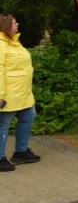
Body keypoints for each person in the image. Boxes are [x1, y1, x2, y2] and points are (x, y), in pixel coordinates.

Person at [0, 13, 41, 172]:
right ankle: (0, 158)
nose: (17, 25)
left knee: (28, 117)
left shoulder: (14, 43)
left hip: (23, 93)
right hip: (8, 94)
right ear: (6, 26)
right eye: (14, 23)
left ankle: (21, 152)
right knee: (3, 125)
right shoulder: (1, 45)